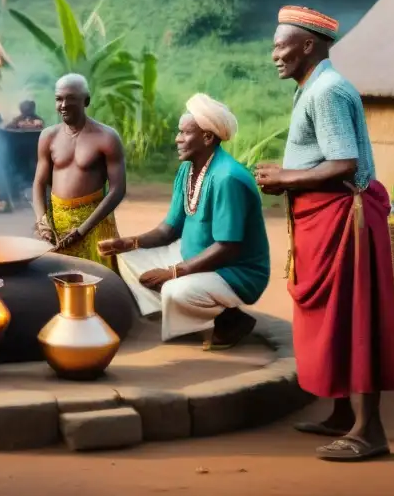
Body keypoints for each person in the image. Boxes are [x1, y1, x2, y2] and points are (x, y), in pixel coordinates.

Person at [255, 5, 394, 463]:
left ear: (307, 45)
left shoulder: (327, 90)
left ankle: (369, 431)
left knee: (354, 318)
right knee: (335, 319)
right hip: (326, 219)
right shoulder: (313, 87)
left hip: (344, 222)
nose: (274, 55)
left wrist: (284, 177)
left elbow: (344, 164)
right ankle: (343, 415)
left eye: (281, 46)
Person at [99, 94, 270, 348]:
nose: (177, 139)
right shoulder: (188, 169)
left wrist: (173, 272)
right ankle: (197, 311)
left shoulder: (227, 178)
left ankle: (230, 318)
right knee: (127, 259)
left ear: (208, 137)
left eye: (184, 133)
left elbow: (228, 247)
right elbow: (169, 229)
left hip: (235, 272)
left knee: (173, 289)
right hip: (194, 258)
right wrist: (129, 242)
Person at [32, 73, 126, 267]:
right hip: (57, 225)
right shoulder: (48, 136)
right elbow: (39, 183)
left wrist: (83, 229)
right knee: (54, 281)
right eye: (59, 99)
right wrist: (43, 223)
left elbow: (118, 189)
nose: (64, 105)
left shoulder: (107, 137)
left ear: (86, 101)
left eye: (71, 98)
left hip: (94, 223)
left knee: (99, 283)